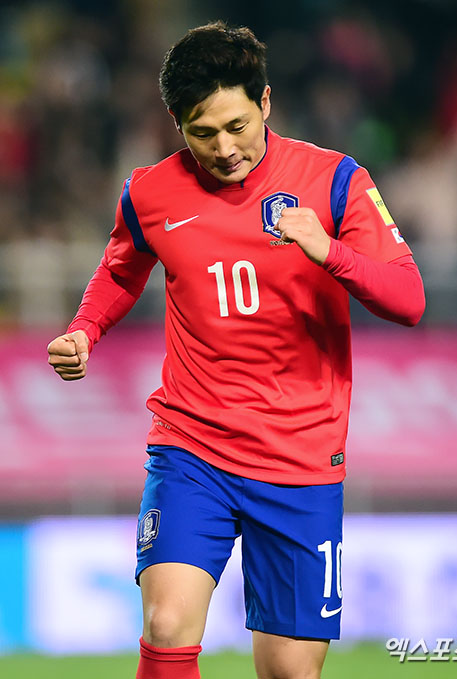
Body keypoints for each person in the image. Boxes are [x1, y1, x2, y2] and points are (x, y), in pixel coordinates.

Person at [47, 21, 425, 679]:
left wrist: (329, 252)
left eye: (237, 126)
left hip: (300, 457)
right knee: (167, 625)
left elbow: (408, 299)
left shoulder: (335, 181)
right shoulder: (150, 193)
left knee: (289, 671)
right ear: (176, 124)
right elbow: (120, 270)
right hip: (193, 448)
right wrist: (85, 329)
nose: (224, 149)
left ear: (266, 102)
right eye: (202, 133)